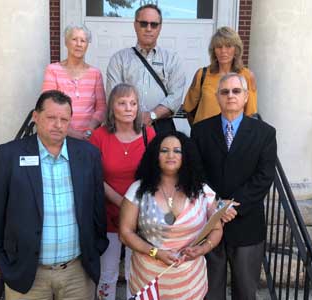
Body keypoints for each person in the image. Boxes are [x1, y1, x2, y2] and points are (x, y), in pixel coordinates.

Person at [0, 90, 108, 300]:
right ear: (35, 117)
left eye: (64, 119)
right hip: (27, 274)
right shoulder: (8, 155)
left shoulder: (88, 155)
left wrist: (96, 247)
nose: (58, 125)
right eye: (51, 117)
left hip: (77, 273)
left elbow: (97, 208)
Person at [191, 73, 277, 300]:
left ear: (246, 97)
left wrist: (232, 206)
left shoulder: (265, 134)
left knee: (246, 293)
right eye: (225, 92)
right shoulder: (200, 131)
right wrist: (217, 206)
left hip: (247, 224)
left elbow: (264, 176)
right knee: (210, 293)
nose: (231, 96)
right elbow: (196, 174)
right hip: (210, 223)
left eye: (236, 91)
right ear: (218, 97)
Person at [119, 131, 223, 299]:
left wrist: (203, 249)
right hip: (148, 284)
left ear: (186, 156)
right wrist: (155, 252)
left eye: (177, 150)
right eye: (164, 150)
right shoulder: (138, 190)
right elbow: (125, 233)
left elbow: (217, 228)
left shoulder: (202, 191)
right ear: (155, 156)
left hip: (190, 285)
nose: (170, 155)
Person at [90, 83, 156, 300]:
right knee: (107, 273)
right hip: (108, 213)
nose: (129, 108)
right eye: (122, 103)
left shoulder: (149, 134)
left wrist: (133, 207)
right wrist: (121, 202)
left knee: (134, 272)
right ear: (112, 108)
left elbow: (156, 173)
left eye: (133, 103)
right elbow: (94, 177)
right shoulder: (99, 136)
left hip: (140, 216)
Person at [106, 4, 185, 134]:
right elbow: (113, 96)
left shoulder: (172, 60)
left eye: (154, 24)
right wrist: (134, 116)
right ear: (135, 25)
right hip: (126, 126)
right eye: (143, 23)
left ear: (159, 28)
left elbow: (175, 97)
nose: (149, 29)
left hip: (161, 126)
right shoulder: (119, 59)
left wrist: (152, 115)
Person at [42, 24, 106, 140]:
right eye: (74, 39)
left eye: (83, 41)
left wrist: (89, 131)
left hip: (88, 138)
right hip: (59, 136)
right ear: (66, 42)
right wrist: (72, 133)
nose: (79, 44)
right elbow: (49, 106)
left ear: (87, 45)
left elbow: (101, 108)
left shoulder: (95, 74)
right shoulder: (53, 70)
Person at [183, 26, 258, 126]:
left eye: (228, 46)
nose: (223, 51)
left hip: (234, 137)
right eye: (219, 47)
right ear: (213, 50)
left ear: (236, 49)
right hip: (206, 136)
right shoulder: (202, 74)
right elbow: (188, 108)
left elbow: (250, 114)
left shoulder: (247, 76)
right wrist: (198, 131)